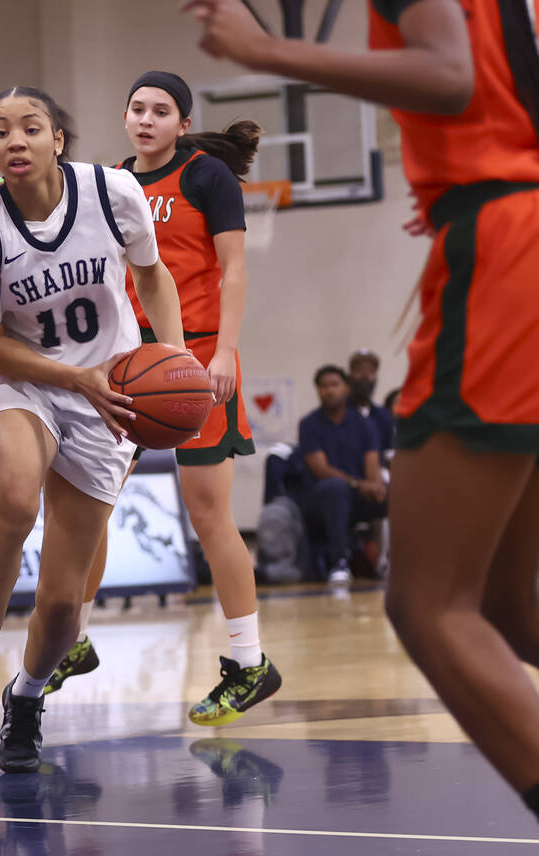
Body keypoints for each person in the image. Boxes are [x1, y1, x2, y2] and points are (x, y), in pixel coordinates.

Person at [189, 0, 539, 822]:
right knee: (506, 604)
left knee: (427, 605)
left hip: (504, 242)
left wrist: (266, 51)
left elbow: (449, 76)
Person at [0, 85, 186, 773]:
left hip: (107, 393)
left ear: (59, 139)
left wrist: (173, 362)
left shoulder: (114, 194)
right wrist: (72, 378)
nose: (13, 140)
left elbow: (154, 276)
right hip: (21, 379)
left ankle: (26, 696)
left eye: (29, 127)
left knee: (60, 610)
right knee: (17, 496)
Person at [45, 72, 281, 729]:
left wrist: (225, 352)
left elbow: (233, 269)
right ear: (125, 117)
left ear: (182, 123)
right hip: (124, 365)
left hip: (195, 360)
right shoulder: (112, 183)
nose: (147, 119)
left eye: (161, 111)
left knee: (210, 517)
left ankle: (249, 661)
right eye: (138, 108)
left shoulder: (207, 178)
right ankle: (75, 638)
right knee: (88, 504)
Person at [298, 365, 387, 585]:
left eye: (335, 385)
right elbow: (321, 470)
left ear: (346, 388)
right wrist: (358, 485)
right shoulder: (309, 424)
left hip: (358, 495)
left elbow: (372, 463)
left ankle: (395, 563)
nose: (329, 391)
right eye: (323, 386)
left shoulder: (366, 425)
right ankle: (339, 563)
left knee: (397, 493)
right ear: (317, 391)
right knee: (335, 489)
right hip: (320, 499)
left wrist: (376, 485)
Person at [348, 349, 394, 455]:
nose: (365, 375)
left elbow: (389, 451)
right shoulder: (339, 413)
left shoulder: (384, 416)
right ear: (350, 376)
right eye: (359, 370)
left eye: (371, 371)